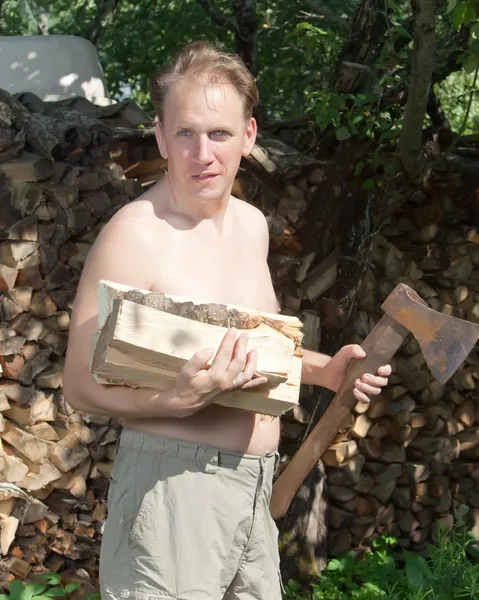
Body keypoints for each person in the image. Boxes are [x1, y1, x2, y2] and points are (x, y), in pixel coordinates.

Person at [63, 41, 392, 600]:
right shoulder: (135, 232)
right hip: (174, 491)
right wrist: (170, 401)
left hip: (255, 485)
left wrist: (325, 371)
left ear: (249, 136)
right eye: (185, 133)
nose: (203, 153)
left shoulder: (250, 225)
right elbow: (77, 385)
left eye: (219, 133)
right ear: (162, 137)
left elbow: (247, 347)